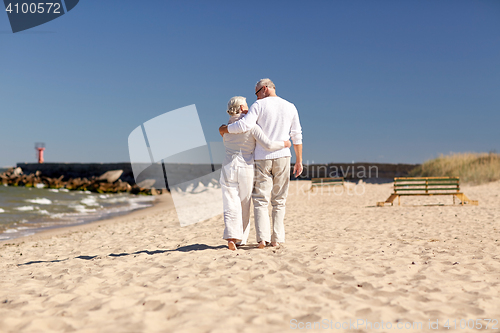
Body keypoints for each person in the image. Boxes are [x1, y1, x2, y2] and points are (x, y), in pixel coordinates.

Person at [219, 79, 303, 248]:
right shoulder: (291, 106)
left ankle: (259, 239)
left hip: (254, 160)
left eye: (256, 93)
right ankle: (276, 239)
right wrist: (298, 159)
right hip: (281, 157)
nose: (256, 98)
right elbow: (297, 135)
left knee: (258, 201)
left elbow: (243, 125)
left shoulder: (257, 107)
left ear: (264, 89)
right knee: (278, 200)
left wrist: (224, 129)